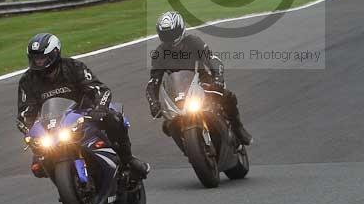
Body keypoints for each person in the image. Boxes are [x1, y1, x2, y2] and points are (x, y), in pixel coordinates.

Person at [17, 32, 150, 179]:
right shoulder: (27, 80)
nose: (39, 62)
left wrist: (100, 108)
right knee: (37, 168)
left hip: (85, 113)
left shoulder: (74, 67)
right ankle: (69, 185)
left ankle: (128, 160)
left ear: (54, 53)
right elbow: (25, 112)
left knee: (114, 118)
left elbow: (100, 89)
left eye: (42, 58)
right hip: (52, 126)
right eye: (35, 59)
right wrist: (28, 130)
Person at [145, 11, 253, 146]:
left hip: (202, 82)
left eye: (171, 34)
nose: (169, 39)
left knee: (228, 97)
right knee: (168, 125)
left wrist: (217, 79)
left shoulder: (194, 42)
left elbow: (212, 60)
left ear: (180, 30)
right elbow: (153, 82)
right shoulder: (159, 54)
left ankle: (238, 128)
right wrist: (153, 103)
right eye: (165, 35)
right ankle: (188, 148)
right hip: (177, 93)